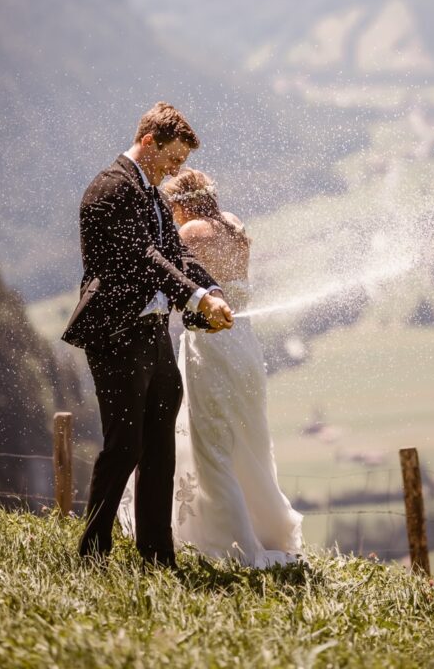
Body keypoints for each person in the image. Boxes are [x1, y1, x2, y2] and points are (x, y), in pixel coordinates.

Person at [62, 103, 233, 569]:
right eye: (174, 159)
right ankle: (92, 550)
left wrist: (212, 289)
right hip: (116, 334)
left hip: (152, 333)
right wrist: (197, 301)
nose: (177, 170)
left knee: (159, 446)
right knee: (125, 446)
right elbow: (145, 259)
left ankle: (157, 556)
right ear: (150, 142)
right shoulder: (111, 188)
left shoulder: (154, 195)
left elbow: (175, 255)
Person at [120, 168, 302, 567]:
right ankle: (268, 530)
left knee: (213, 447)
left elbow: (176, 283)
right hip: (246, 348)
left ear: (182, 203)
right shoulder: (234, 225)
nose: (172, 214)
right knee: (249, 443)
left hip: (213, 346)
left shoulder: (191, 234)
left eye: (172, 206)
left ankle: (236, 545)